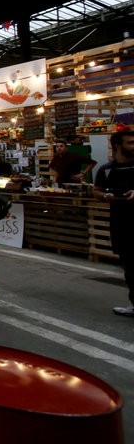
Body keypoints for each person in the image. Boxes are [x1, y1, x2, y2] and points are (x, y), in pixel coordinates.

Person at [93, 131, 134, 317]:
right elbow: (96, 190)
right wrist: (104, 196)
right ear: (118, 145)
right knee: (129, 266)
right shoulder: (106, 169)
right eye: (130, 142)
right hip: (121, 223)